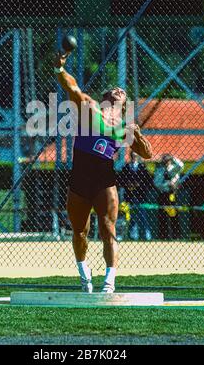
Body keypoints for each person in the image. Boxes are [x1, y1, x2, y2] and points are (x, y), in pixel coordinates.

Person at [54, 49, 153, 293]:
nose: (119, 90)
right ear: (106, 98)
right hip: (80, 178)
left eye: (123, 92)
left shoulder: (123, 127)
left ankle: (109, 282)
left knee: (109, 229)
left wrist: (137, 134)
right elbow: (73, 88)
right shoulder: (91, 110)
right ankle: (84, 271)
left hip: (104, 181)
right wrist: (59, 69)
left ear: (124, 104)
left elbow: (148, 153)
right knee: (79, 232)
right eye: (115, 90)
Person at [120, 152, 153, 241]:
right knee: (130, 216)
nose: (134, 157)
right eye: (133, 156)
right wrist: (128, 185)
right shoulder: (126, 167)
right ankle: (133, 236)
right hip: (129, 196)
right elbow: (121, 180)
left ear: (138, 157)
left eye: (136, 156)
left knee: (143, 216)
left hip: (140, 196)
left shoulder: (143, 167)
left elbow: (148, 182)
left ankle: (146, 235)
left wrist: (138, 185)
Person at [153, 154, 184, 240]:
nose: (166, 163)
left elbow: (181, 165)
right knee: (162, 215)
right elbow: (156, 183)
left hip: (172, 194)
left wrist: (174, 157)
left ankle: (176, 236)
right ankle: (163, 236)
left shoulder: (174, 168)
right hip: (163, 193)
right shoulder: (159, 170)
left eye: (168, 161)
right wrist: (167, 184)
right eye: (165, 161)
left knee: (174, 215)